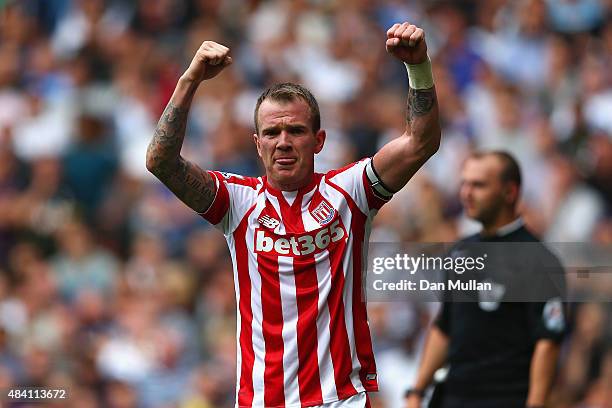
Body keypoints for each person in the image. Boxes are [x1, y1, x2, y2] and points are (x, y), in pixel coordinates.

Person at [146, 22, 441, 408]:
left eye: (296, 131)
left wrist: (418, 66)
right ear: (257, 144)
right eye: (271, 133)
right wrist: (190, 80)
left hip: (342, 400)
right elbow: (160, 161)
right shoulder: (238, 202)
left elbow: (421, 142)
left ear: (319, 140)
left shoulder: (349, 192)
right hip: (263, 401)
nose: (283, 142)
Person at [404, 152, 566, 408]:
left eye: (478, 185)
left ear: (510, 192)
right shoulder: (460, 252)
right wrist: (416, 391)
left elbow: (547, 343)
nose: (466, 193)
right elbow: (444, 326)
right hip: (453, 397)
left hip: (505, 398)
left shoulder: (539, 260)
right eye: (464, 183)